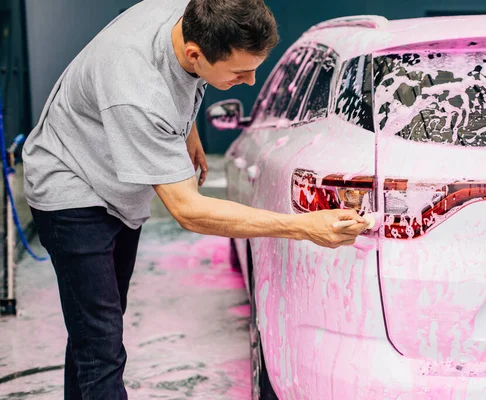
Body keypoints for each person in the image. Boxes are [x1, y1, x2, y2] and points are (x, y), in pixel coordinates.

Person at [22, 0, 367, 398]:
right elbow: (189, 211)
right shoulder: (136, 91)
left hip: (114, 177)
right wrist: (304, 226)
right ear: (194, 54)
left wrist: (186, 134)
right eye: (240, 72)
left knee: (94, 327)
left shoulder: (196, 14)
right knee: (101, 344)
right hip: (71, 185)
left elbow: (184, 87)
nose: (252, 81)